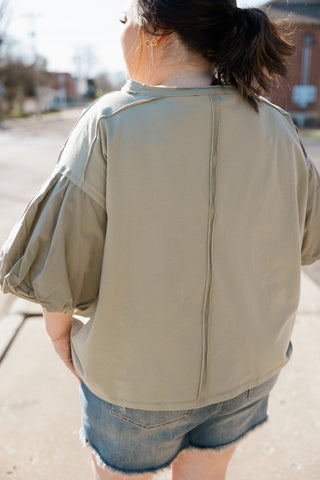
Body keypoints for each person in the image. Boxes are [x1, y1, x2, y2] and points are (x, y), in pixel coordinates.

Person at [1, 0, 320, 479]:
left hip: (133, 382)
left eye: (124, 19)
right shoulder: (277, 124)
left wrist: (60, 336)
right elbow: (305, 241)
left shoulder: (109, 122)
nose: (121, 31)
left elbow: (61, 264)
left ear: (155, 31)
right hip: (249, 371)